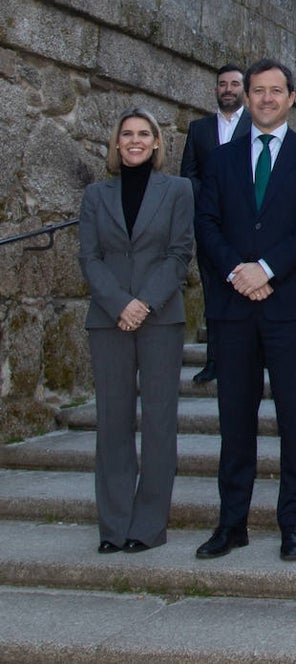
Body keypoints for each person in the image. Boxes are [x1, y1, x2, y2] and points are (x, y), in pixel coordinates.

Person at [193, 59, 296, 563]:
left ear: (291, 98)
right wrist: (238, 270)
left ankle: (293, 522)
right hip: (234, 308)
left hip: (290, 306)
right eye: (258, 91)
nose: (267, 99)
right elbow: (206, 222)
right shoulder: (221, 158)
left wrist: (267, 269)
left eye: (277, 91)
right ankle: (231, 522)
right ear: (246, 98)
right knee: (234, 419)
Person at [79, 108, 193, 554]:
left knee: (160, 422)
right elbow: (89, 258)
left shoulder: (178, 190)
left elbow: (180, 252)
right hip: (107, 319)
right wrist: (119, 304)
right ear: (116, 142)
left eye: (144, 134)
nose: (135, 140)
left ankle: (148, 525)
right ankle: (113, 525)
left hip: (160, 316)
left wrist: (142, 303)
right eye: (126, 134)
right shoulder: (95, 195)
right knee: (112, 422)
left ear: (157, 143)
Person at [180, 64, 251, 383]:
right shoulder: (199, 129)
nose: (228, 89)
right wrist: (209, 196)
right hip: (210, 226)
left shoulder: (255, 125)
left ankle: (247, 359)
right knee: (213, 295)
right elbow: (188, 174)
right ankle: (213, 360)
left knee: (245, 294)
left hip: (246, 225)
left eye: (234, 84)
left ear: (244, 90)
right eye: (222, 84)